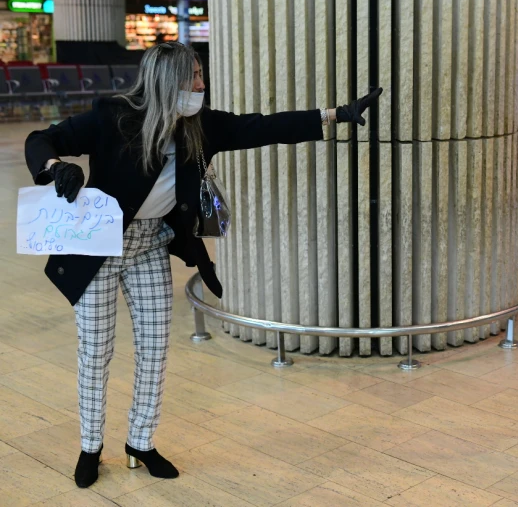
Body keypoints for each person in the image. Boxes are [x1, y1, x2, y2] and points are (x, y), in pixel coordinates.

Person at [23, 42, 382, 488]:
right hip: (98, 245)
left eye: (200, 74)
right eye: (193, 75)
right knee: (96, 351)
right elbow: (41, 140)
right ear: (166, 80)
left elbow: (262, 127)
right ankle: (90, 447)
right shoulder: (112, 117)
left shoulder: (199, 127)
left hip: (149, 245)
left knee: (154, 349)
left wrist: (338, 114)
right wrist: (56, 167)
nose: (201, 83)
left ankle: (140, 441)